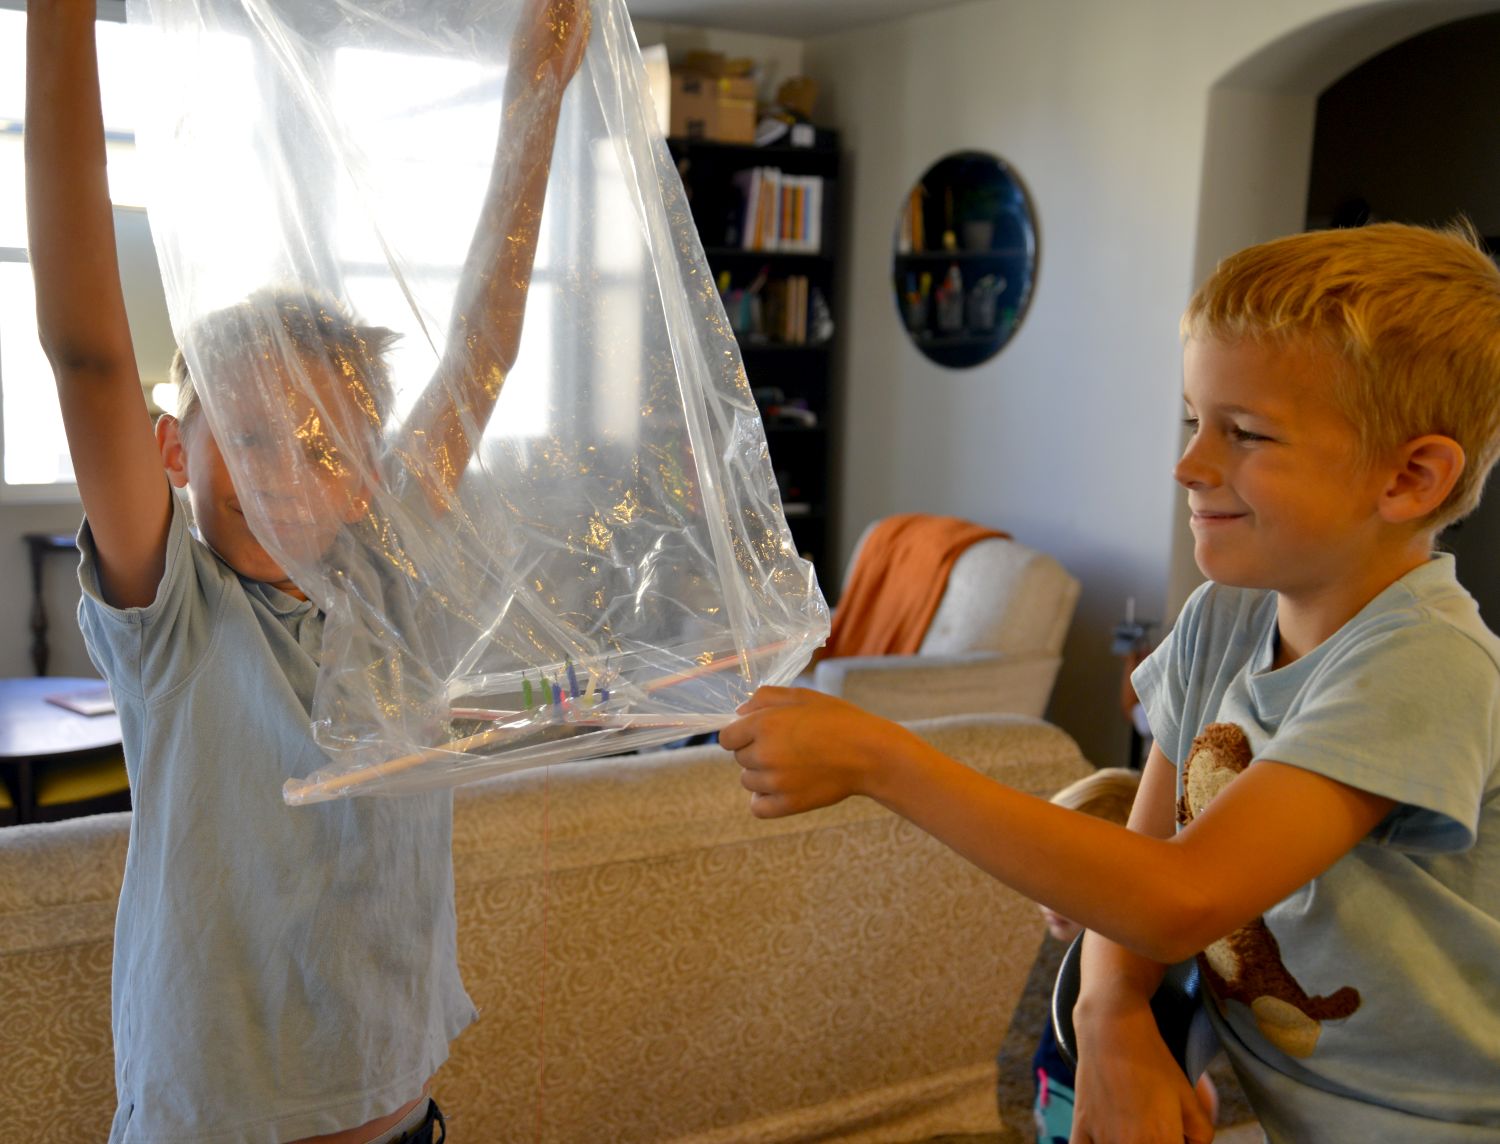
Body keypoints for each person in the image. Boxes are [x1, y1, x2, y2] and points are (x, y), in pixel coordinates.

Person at [721, 221, 1500, 1142]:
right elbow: (1142, 875)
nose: (1190, 464)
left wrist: (883, 759)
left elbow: (1179, 898)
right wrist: (1111, 1015)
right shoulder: (1224, 617)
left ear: (1410, 477)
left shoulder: (1423, 662)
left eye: (1245, 433)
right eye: (1193, 419)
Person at [25, 1, 588, 1140]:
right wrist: (59, 21)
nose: (285, 468)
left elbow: (482, 341)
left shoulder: (387, 584)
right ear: (175, 448)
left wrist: (543, 77)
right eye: (249, 428)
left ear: (372, 467)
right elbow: (88, 357)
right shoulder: (173, 618)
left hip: (402, 1121)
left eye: (325, 439)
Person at [1015, 768, 1219, 1144]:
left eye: (1076, 877)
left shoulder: (1141, 985)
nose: (1049, 897)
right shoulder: (1085, 971)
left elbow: (1192, 1082)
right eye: (1048, 870)